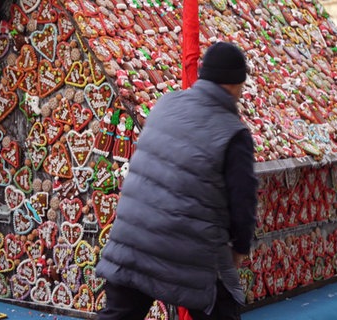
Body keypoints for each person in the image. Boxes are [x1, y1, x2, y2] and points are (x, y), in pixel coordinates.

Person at [96, 42, 258, 320]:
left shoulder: (166, 104)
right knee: (220, 309)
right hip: (187, 252)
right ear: (233, 84)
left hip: (130, 242)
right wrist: (240, 248)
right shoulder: (233, 132)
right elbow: (243, 200)